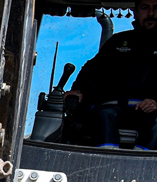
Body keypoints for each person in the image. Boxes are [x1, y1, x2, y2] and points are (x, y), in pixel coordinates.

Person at [66, 0, 157, 149]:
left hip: (150, 113)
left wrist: (155, 102)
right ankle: (105, 163)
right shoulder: (118, 42)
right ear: (136, 12)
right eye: (145, 8)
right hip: (111, 110)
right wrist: (78, 90)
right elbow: (91, 71)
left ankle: (141, 166)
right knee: (104, 115)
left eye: (156, 8)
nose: (151, 13)